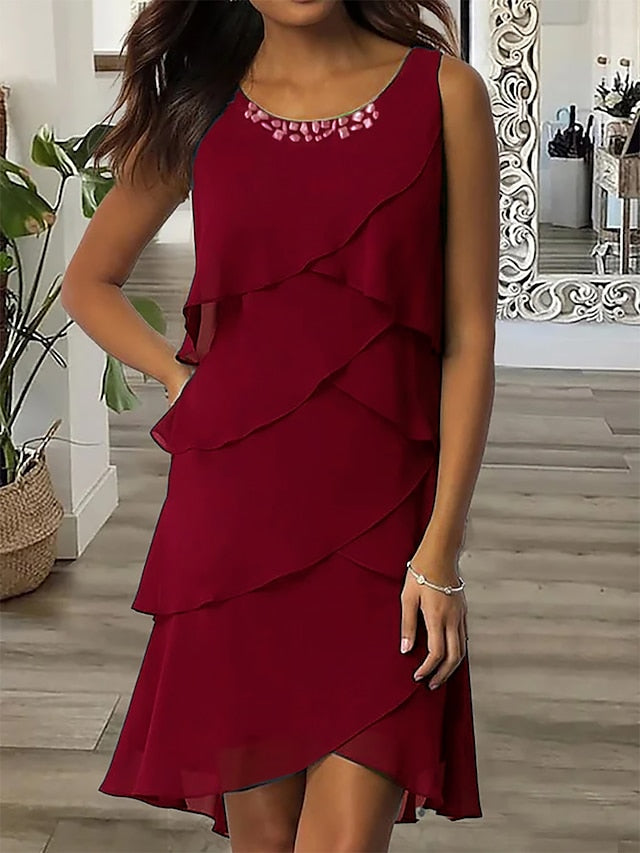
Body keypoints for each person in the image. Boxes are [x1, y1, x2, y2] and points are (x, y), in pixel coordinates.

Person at [60, 1, 499, 850]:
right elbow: (89, 281)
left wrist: (441, 552)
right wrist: (179, 377)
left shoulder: (446, 93)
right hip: (233, 531)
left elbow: (469, 339)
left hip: (384, 535)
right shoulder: (202, 103)